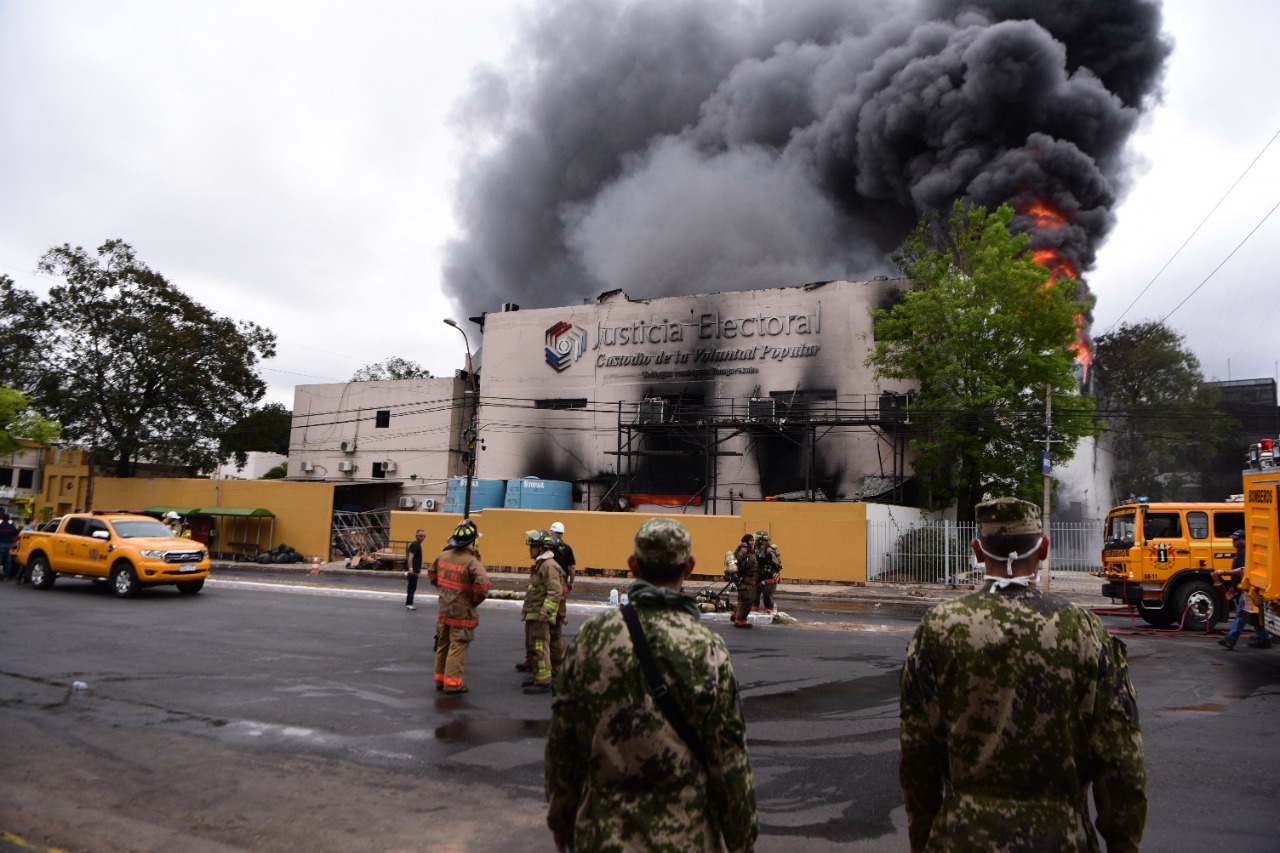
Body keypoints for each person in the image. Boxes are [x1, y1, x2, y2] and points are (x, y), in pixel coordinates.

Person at [900, 497, 1146, 853]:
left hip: (962, 839)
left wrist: (924, 840)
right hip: (1062, 839)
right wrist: (1123, 844)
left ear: (978, 551)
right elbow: (1122, 755)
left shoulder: (939, 628)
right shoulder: (1084, 631)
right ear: (1043, 548)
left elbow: (916, 756)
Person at [545, 518, 758, 853]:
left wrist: (561, 818)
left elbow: (564, 738)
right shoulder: (707, 647)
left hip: (605, 835)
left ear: (632, 565)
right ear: (689, 567)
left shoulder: (593, 636)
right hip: (686, 837)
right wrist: (740, 839)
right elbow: (729, 757)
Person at [427, 520, 490, 695]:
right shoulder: (471, 562)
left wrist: (443, 590)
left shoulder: (443, 556)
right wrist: (474, 601)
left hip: (445, 609)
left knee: (443, 645)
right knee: (457, 647)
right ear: (471, 542)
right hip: (462, 612)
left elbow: (432, 574)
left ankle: (440, 680)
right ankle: (453, 684)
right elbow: (483, 587)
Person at [521, 529, 565, 695]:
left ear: (542, 548)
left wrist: (545, 612)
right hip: (533, 613)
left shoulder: (549, 566)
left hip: (540, 615)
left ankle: (543, 681)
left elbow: (555, 591)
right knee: (535, 646)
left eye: (532, 546)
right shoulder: (541, 564)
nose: (529, 549)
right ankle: (537, 676)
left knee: (539, 646)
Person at [1214, 529, 1272, 650]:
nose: (1233, 541)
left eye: (1236, 539)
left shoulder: (1245, 552)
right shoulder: (1241, 551)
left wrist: (1225, 572)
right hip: (1245, 589)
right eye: (1233, 539)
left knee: (1241, 614)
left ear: (1244, 540)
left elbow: (1243, 569)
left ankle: (1231, 639)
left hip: (1248, 589)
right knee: (1255, 615)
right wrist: (1233, 587)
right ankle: (1263, 639)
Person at [752, 530, 783, 614]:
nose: (756, 541)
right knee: (754, 595)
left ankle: (769, 610)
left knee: (767, 596)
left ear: (761, 540)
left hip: (769, 578)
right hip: (758, 576)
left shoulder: (769, 550)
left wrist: (767, 562)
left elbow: (776, 564)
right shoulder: (755, 548)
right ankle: (753, 610)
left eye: (757, 539)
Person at [731, 533, 757, 629]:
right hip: (745, 580)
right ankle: (740, 620)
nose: (753, 542)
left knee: (743, 599)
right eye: (750, 540)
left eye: (753, 540)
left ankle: (736, 614)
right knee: (746, 601)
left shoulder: (750, 551)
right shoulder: (743, 551)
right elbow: (741, 563)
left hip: (749, 580)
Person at [405, 529, 425, 611]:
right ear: (416, 536)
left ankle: (410, 602)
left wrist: (418, 569)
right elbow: (410, 557)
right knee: (411, 587)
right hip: (412, 571)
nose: (423, 537)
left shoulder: (418, 545)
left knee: (413, 586)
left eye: (424, 536)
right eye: (421, 536)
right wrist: (410, 569)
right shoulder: (414, 545)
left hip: (415, 570)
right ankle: (409, 603)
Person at [0, 513, 17, 581]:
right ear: (9, 518)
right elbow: (15, 534)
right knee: (7, 561)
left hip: (1, 544)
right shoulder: (12, 526)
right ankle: (6, 576)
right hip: (9, 545)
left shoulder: (0, 526)